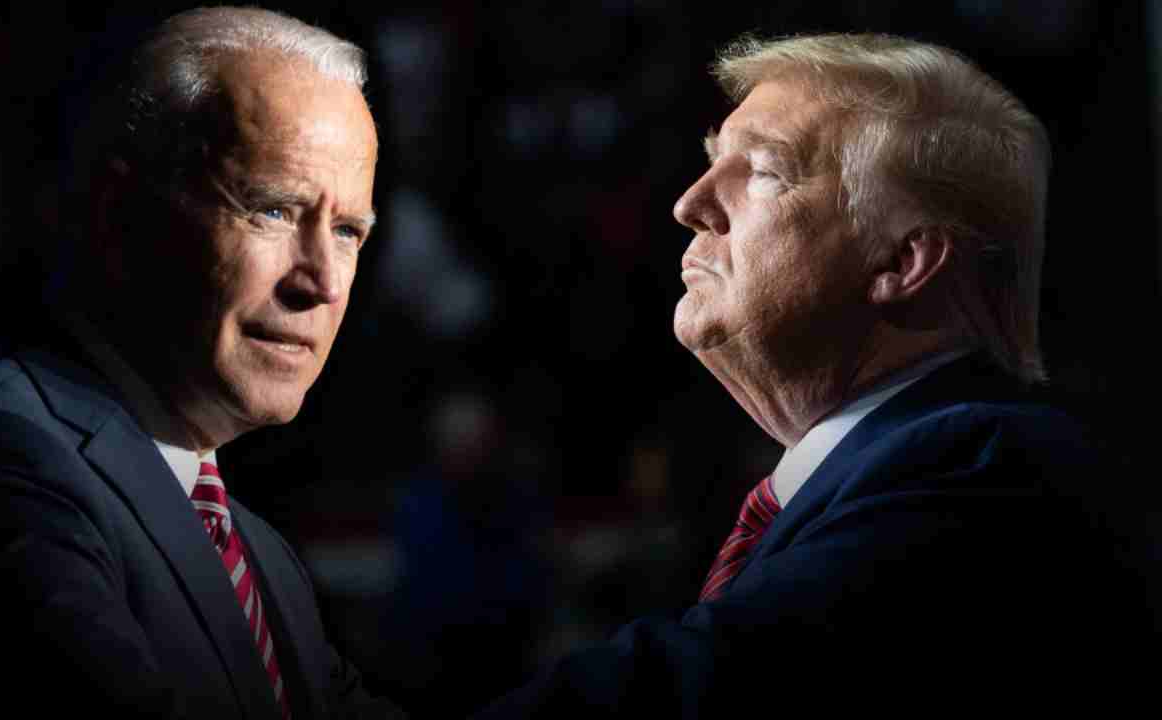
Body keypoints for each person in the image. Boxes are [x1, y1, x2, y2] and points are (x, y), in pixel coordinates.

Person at [477, 33, 1155, 717]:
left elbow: (699, 694)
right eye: (713, 162)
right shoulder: (891, 472)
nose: (691, 203)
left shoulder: (986, 467)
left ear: (903, 261)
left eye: (765, 171)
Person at [0, 7, 402, 718]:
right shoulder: (5, 462)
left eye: (345, 231)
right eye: (274, 210)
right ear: (121, 215)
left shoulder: (261, 557)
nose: (323, 282)